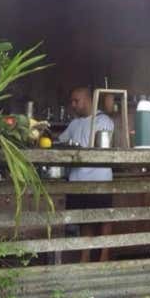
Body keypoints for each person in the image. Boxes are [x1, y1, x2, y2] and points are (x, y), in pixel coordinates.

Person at [58, 86, 114, 262]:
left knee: (104, 217)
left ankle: (104, 256)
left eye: (77, 101)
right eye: (72, 101)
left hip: (99, 179)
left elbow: (102, 148)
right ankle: (85, 256)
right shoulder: (74, 124)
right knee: (85, 220)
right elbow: (60, 141)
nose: (73, 105)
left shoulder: (103, 121)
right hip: (78, 180)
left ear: (88, 100)